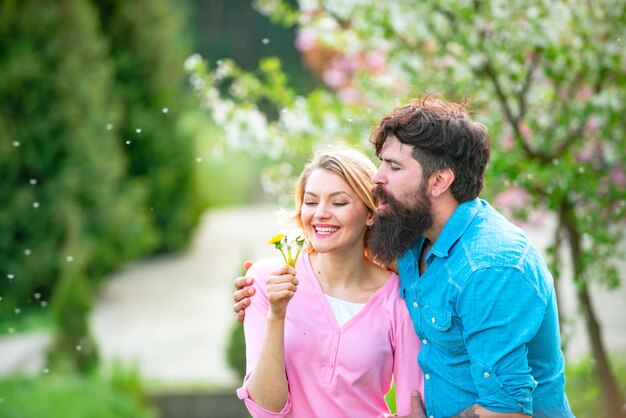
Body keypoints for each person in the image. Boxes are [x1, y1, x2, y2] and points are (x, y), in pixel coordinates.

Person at [234, 95, 573, 418]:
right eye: (382, 162)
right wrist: (262, 291)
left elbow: (507, 409)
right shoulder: (413, 244)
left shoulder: (490, 267)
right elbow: (346, 248)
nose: (378, 178)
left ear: (439, 180)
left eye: (393, 167)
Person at [235, 145, 424, 418]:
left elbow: (412, 407)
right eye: (311, 202)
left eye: (338, 202)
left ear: (371, 214)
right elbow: (266, 409)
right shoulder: (265, 281)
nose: (320, 213)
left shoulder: (399, 298)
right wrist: (277, 315)